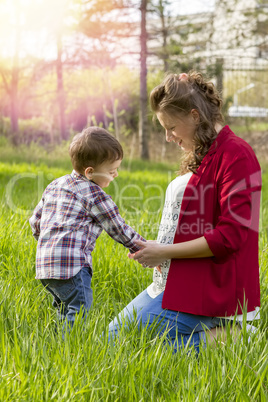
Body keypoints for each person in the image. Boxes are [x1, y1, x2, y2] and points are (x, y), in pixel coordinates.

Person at [108, 71, 262, 352]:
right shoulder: (205, 154)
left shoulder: (237, 155)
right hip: (183, 278)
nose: (168, 137)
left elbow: (231, 236)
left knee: (135, 346)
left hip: (215, 287)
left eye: (171, 128)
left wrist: (165, 252)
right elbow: (193, 222)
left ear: (194, 116)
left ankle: (239, 337)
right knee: (115, 336)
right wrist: (159, 250)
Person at [29, 127, 145, 331]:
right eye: (111, 171)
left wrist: (47, 244)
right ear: (89, 172)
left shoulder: (55, 185)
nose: (116, 174)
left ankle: (58, 345)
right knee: (79, 310)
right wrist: (141, 248)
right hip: (72, 266)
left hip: (44, 266)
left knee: (64, 309)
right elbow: (118, 228)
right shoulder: (95, 194)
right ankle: (72, 349)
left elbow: (35, 221)